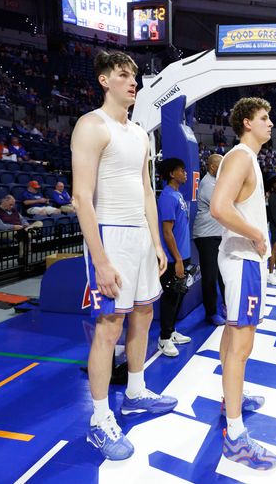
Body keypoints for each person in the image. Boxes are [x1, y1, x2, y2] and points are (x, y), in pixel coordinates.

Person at [71, 50, 174, 461]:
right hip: (109, 237)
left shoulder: (141, 133)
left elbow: (147, 190)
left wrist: (157, 242)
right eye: (123, 74)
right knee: (108, 328)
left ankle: (134, 392)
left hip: (140, 240)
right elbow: (81, 196)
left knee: (145, 314)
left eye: (134, 75)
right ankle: (99, 419)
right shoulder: (90, 126)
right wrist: (100, 260)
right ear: (104, 81)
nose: (133, 81)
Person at [209, 97, 276, 470]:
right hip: (244, 260)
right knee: (241, 346)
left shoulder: (246, 158)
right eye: (264, 118)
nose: (270, 124)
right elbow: (219, 207)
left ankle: (228, 400)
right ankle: (235, 438)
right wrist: (256, 234)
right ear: (247, 122)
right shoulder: (240, 156)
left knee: (233, 337)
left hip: (241, 259)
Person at [156, 157, 192, 357]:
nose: (185, 173)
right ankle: (164, 338)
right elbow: (167, 232)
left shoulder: (177, 194)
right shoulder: (168, 197)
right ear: (172, 174)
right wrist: (177, 259)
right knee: (170, 297)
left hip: (182, 255)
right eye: (181, 170)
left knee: (179, 294)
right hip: (172, 258)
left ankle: (171, 331)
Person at [192, 153, 226, 326]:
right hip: (206, 236)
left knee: (223, 274)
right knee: (210, 276)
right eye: (221, 165)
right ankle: (211, 313)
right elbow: (222, 206)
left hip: (216, 235)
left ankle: (226, 305)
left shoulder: (217, 182)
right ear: (213, 167)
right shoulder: (208, 184)